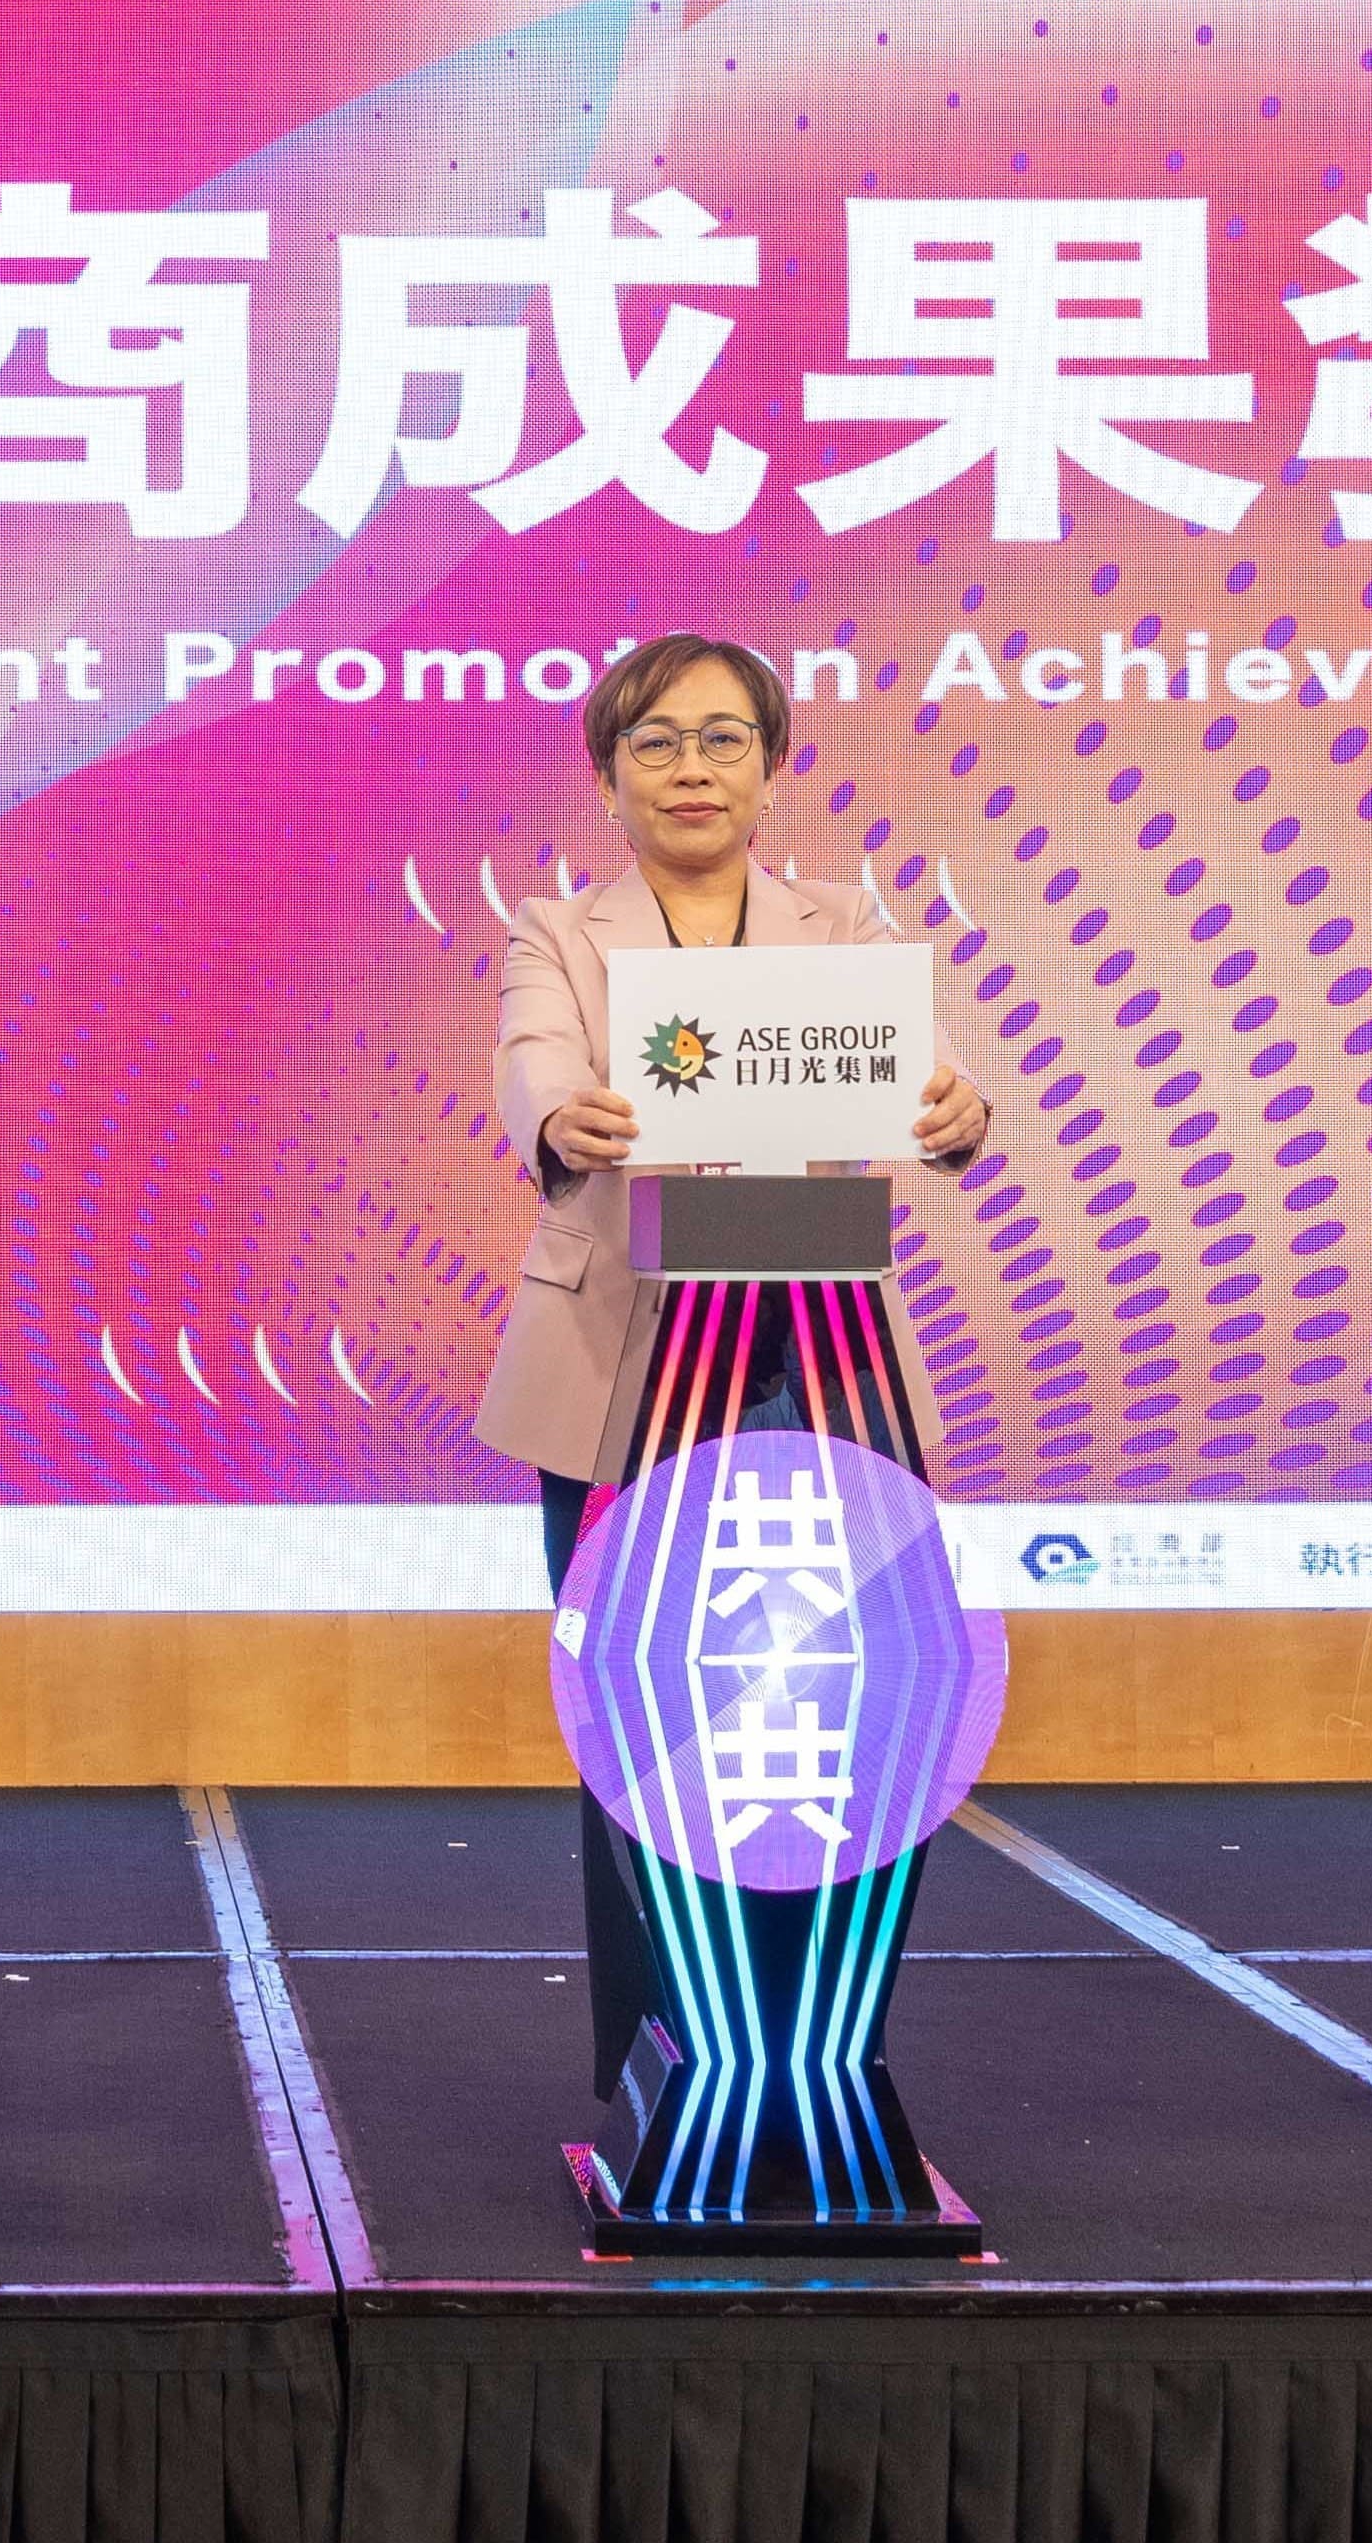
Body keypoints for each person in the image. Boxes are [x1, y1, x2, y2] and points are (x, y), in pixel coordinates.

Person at [475, 633, 992, 2095]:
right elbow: (533, 1060)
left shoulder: (849, 930)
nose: (691, 769)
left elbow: (925, 1086)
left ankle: (825, 2054)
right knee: (638, 1711)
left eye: (722, 739)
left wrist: (957, 1112)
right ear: (609, 775)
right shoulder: (560, 931)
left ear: (771, 766)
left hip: (823, 1367)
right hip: (618, 1367)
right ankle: (665, 2058)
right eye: (655, 742)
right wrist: (563, 1116)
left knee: (841, 1709)